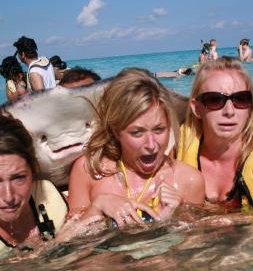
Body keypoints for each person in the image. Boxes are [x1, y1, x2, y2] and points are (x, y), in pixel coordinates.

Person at [0, 111, 104, 262]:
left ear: (33, 171)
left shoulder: (50, 197)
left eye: (19, 178)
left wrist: (99, 205)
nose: (8, 196)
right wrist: (56, 244)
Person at [67, 68, 205, 227]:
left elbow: (194, 247)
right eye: (137, 132)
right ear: (115, 131)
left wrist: (178, 217)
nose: (151, 145)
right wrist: (97, 206)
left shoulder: (189, 180)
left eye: (159, 129)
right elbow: (70, 242)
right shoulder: (88, 171)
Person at [178, 57, 253, 208]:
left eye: (240, 99)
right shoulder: (174, 156)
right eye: (214, 100)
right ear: (197, 108)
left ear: (250, 107)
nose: (229, 111)